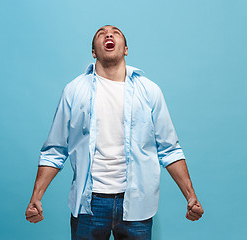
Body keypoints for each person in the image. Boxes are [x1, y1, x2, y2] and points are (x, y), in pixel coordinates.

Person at [25, 25, 204, 240]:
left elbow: (169, 149)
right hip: (88, 204)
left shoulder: (149, 91)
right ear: (94, 52)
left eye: (115, 33)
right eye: (101, 34)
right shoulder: (73, 90)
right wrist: (37, 196)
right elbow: (55, 150)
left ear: (126, 49)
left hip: (137, 203)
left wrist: (190, 196)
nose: (108, 35)